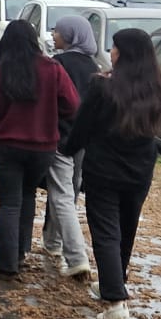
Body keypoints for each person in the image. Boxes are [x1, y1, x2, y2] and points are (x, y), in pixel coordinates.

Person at [63, 27, 161, 319]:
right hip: (140, 170)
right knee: (126, 228)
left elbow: (83, 125)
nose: (110, 52)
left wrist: (67, 148)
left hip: (104, 168)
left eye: (114, 47)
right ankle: (115, 282)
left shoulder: (103, 86)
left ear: (124, 53)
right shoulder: (157, 87)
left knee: (106, 231)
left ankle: (115, 300)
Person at [0, 18, 80, 276]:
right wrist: (50, 112)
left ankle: (6, 263)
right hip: (43, 146)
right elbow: (72, 105)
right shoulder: (52, 69)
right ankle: (22, 251)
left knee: (9, 203)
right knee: (28, 195)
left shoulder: (1, 70)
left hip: (7, 145)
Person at [41, 15, 100, 277]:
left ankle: (76, 257)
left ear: (70, 35)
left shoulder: (58, 64)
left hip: (60, 138)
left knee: (62, 195)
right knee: (68, 191)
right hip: (84, 142)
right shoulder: (94, 67)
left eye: (58, 31)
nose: (53, 35)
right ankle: (52, 241)